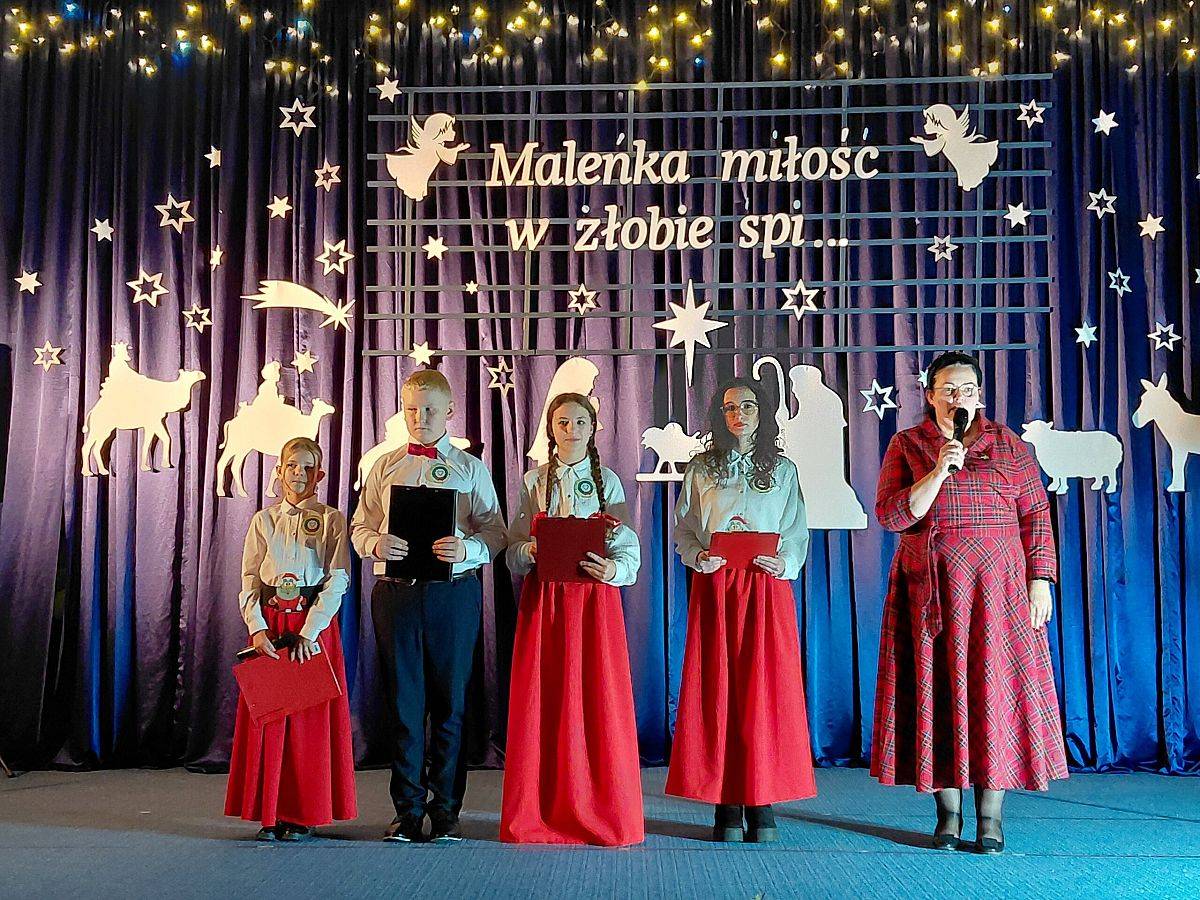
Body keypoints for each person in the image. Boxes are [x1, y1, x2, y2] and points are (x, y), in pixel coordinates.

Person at [871, 351, 1067, 854]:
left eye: (968, 389)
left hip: (998, 592)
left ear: (979, 395)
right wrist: (939, 471)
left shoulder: (1010, 445)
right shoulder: (907, 444)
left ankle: (990, 819)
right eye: (949, 389)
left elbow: (1035, 515)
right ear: (930, 395)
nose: (959, 397)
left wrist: (1041, 579)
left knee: (993, 693)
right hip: (931, 590)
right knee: (937, 692)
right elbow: (892, 516)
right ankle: (948, 815)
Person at [351, 369, 506, 843]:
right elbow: (359, 528)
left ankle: (446, 812)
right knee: (403, 706)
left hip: (453, 595)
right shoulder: (383, 465)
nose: (420, 418)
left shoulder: (470, 468)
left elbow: (496, 532)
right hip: (396, 594)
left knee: (450, 706)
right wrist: (376, 544)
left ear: (450, 412)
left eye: (430, 410)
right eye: (412, 409)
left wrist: (468, 549)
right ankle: (407, 811)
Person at [668, 376, 815, 843]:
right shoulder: (701, 468)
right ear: (720, 415)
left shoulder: (783, 469)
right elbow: (685, 529)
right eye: (730, 407)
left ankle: (760, 797)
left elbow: (796, 530)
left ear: (762, 412)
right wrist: (698, 557)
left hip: (765, 589)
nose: (739, 415)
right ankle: (726, 800)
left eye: (747, 406)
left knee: (762, 691)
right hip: (717, 588)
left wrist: (785, 562)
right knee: (719, 689)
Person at [500, 392, 644, 846]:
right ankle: (543, 809)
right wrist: (531, 550)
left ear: (592, 428)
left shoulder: (609, 483)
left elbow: (626, 545)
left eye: (580, 422)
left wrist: (613, 570)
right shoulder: (533, 481)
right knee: (545, 699)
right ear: (551, 428)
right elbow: (513, 549)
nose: (571, 430)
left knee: (597, 697)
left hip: (594, 606)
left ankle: (599, 807)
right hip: (545, 606)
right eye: (562, 422)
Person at [225, 436, 357, 840]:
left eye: (308, 467)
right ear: (279, 472)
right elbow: (250, 578)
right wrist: (257, 627)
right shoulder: (263, 520)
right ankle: (270, 812)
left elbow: (337, 578)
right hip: (272, 626)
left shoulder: (332, 519)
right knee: (271, 719)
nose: (299, 474)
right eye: (292, 466)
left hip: (311, 627)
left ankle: (303, 814)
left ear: (320, 475)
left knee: (307, 723)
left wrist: (309, 631)